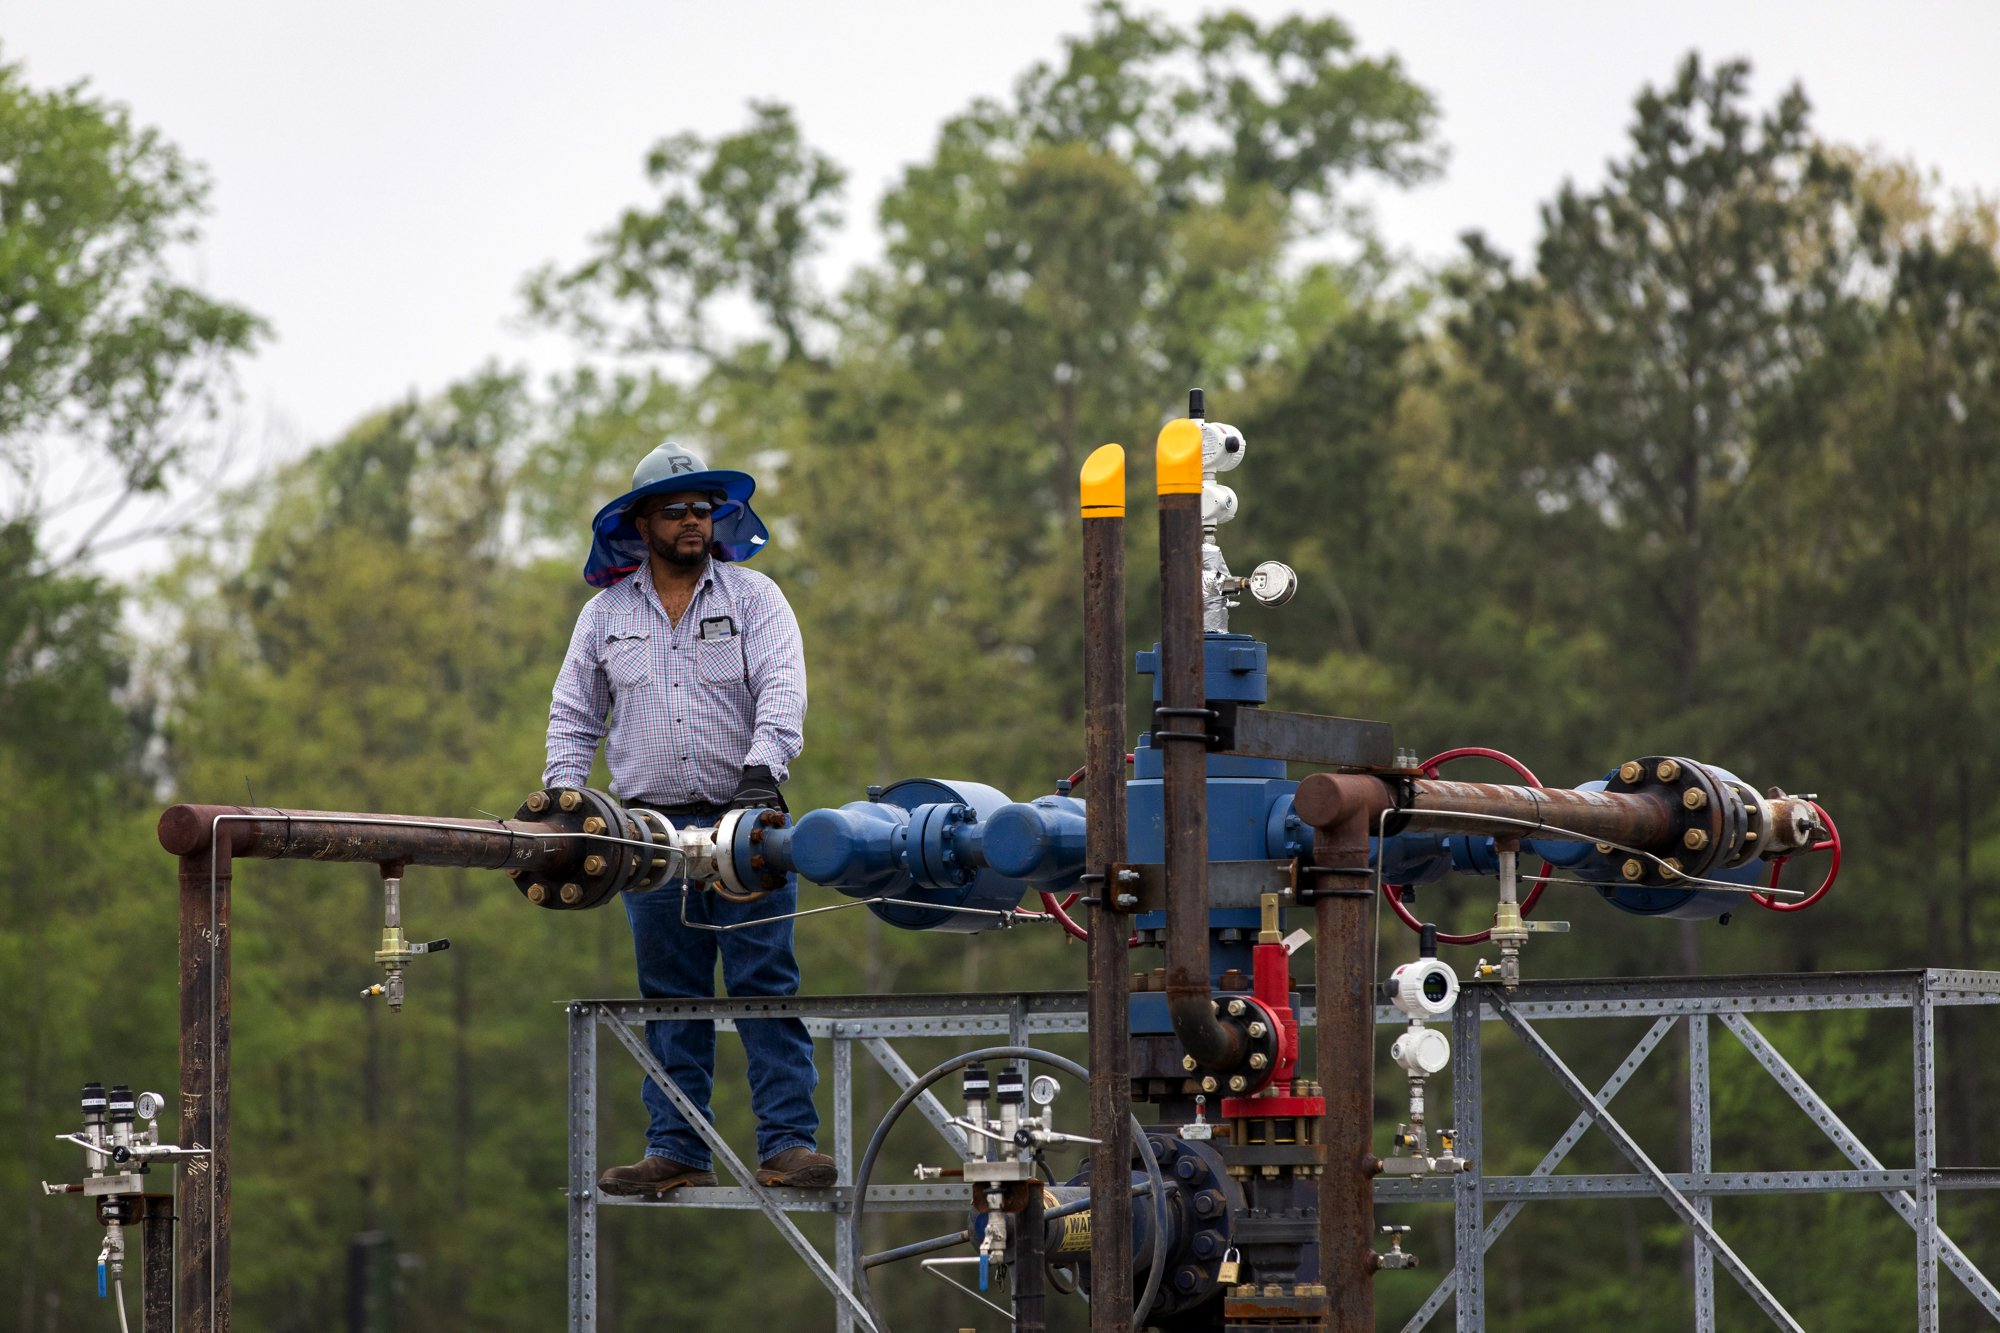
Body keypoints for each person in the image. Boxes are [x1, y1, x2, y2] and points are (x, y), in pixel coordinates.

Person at [545, 442, 833, 1194]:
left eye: (703, 508)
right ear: (640, 523)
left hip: (747, 822)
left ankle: (788, 1143)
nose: (691, 521)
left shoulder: (753, 599)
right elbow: (574, 718)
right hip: (645, 832)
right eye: (674, 509)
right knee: (669, 990)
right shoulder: (605, 616)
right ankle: (676, 1146)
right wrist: (563, 808)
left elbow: (782, 690)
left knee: (764, 979)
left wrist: (760, 774)